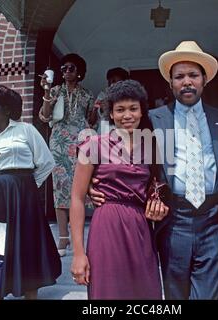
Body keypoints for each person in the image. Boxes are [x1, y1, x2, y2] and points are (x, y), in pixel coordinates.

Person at [90, 41, 218, 299]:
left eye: (193, 75)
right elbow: (121, 153)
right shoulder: (153, 119)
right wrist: (94, 184)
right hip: (174, 219)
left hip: (213, 219)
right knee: (175, 295)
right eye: (179, 76)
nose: (187, 82)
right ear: (170, 83)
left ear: (204, 80)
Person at [70, 79, 168, 299]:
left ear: (142, 111)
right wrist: (78, 253)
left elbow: (156, 187)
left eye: (133, 108)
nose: (127, 115)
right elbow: (76, 198)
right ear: (111, 114)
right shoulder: (93, 145)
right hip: (107, 225)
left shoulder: (152, 147)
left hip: (140, 226)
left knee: (145, 292)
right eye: (120, 110)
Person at [0, 84, 61, 299]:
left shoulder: (25, 130)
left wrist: (26, 187)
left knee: (26, 246)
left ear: (7, 109)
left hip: (23, 199)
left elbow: (46, 163)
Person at [39, 53, 95, 257]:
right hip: (60, 144)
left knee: (80, 188)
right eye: (63, 69)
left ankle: (78, 236)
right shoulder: (54, 91)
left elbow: (92, 121)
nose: (67, 72)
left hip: (81, 141)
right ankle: (63, 237)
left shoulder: (88, 95)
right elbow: (45, 117)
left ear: (79, 71)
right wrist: (46, 93)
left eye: (71, 68)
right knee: (60, 188)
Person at [91, 67, 130, 133]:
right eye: (109, 81)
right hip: (103, 132)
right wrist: (95, 109)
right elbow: (92, 121)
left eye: (114, 81)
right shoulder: (102, 95)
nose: (111, 84)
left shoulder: (129, 98)